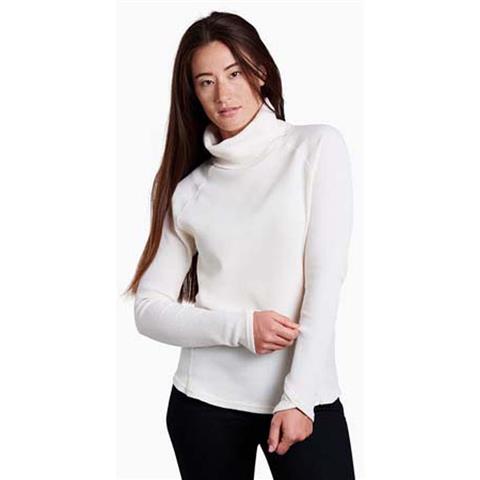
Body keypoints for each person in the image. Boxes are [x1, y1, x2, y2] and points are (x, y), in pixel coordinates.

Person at [125, 10, 356, 480]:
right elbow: (148, 310)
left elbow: (325, 282)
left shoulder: (316, 149)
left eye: (234, 74)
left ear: (260, 72)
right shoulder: (190, 189)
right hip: (203, 404)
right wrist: (242, 329)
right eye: (205, 82)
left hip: (303, 397)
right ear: (193, 94)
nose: (223, 94)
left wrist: (298, 397)